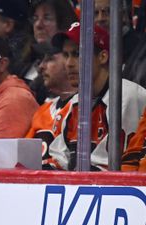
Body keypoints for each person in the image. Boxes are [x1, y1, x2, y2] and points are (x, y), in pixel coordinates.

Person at [45, 22, 146, 170]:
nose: (68, 64)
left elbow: (109, 167)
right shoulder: (74, 104)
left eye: (77, 54)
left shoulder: (125, 96)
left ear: (103, 57)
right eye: (66, 55)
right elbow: (59, 159)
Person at [25, 42, 75, 163]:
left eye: (50, 59)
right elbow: (22, 159)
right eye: (42, 60)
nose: (41, 66)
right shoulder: (42, 110)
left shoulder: (88, 109)